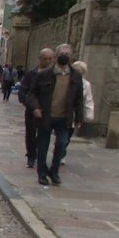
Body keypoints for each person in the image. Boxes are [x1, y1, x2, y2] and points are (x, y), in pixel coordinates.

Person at [26, 43, 84, 186]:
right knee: (43, 146)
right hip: (46, 116)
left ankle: (54, 171)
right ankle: (42, 174)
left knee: (62, 144)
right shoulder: (45, 74)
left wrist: (79, 117)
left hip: (64, 117)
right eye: (62, 54)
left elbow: (79, 98)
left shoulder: (75, 76)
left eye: (68, 54)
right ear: (56, 56)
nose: (65, 56)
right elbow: (31, 94)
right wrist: (35, 108)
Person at [18, 48, 54, 169]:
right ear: (40, 59)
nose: (47, 61)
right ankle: (31, 156)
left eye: (50, 59)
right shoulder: (32, 73)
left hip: (47, 109)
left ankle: (40, 155)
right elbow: (23, 90)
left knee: (44, 134)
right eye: (45, 59)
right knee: (31, 134)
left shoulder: (54, 75)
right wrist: (28, 104)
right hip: (32, 109)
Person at [62, 60, 95, 164]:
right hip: (62, 112)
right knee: (61, 136)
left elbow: (88, 100)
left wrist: (89, 115)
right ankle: (59, 152)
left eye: (80, 72)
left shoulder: (86, 85)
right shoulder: (66, 80)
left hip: (74, 114)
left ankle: (61, 153)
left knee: (67, 137)